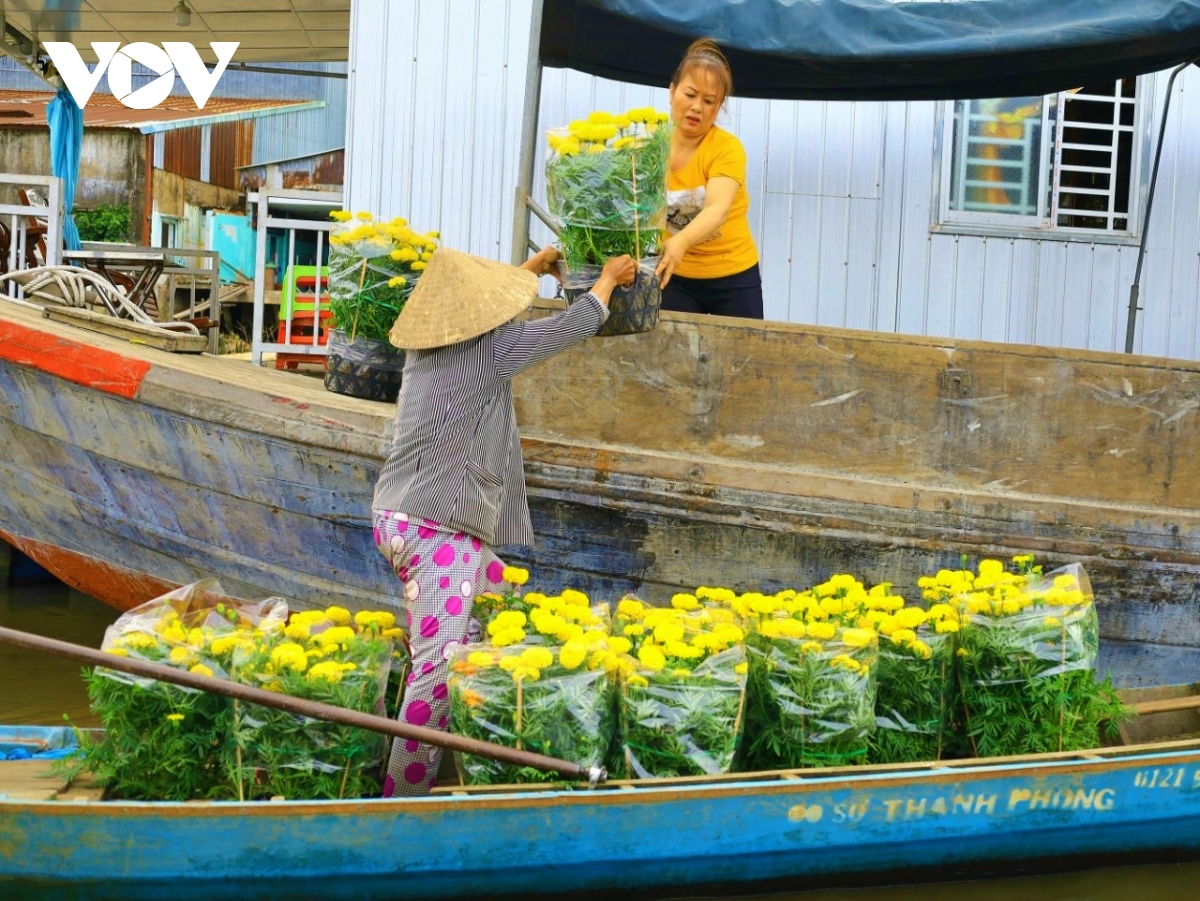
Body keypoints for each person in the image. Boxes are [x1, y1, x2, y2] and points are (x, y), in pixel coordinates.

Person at [372, 244, 636, 797]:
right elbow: (572, 325)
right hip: (434, 528)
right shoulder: (493, 351)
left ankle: (497, 737)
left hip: (403, 516)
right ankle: (399, 801)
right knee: (437, 669)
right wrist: (609, 278)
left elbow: (483, 312)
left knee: (503, 600)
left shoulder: (428, 348)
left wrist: (530, 270)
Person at [654, 38, 763, 320]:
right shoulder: (648, 147)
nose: (697, 107)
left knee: (743, 358)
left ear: (719, 107)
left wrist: (678, 242)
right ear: (672, 92)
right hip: (674, 273)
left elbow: (717, 209)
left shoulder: (726, 148)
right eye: (690, 95)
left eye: (708, 101)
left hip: (733, 274)